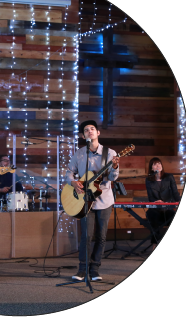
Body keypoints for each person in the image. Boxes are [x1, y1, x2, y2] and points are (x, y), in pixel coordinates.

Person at [65, 120, 120, 281]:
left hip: (104, 200)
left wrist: (115, 168)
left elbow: (111, 177)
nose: (90, 131)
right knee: (86, 236)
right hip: (84, 200)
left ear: (98, 133)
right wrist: (73, 182)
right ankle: (82, 269)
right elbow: (69, 172)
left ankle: (94, 269)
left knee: (101, 236)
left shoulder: (110, 153)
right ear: (83, 136)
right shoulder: (80, 153)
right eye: (86, 130)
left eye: (92, 129)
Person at [145, 157, 180, 250]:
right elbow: (150, 197)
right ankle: (155, 244)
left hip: (167, 208)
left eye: (159, 163)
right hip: (155, 208)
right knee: (152, 216)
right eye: (155, 164)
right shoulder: (148, 180)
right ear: (151, 168)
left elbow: (175, 193)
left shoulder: (169, 177)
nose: (158, 165)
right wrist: (155, 202)